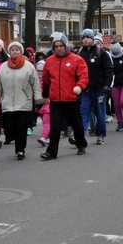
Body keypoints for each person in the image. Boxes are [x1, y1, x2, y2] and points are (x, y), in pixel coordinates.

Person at [39, 32, 89, 160]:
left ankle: (81, 144)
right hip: (56, 99)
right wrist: (45, 95)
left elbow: (84, 76)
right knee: (55, 126)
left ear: (66, 45)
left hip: (71, 97)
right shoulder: (49, 61)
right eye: (56, 46)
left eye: (61, 46)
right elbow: (46, 80)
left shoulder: (76, 59)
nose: (59, 48)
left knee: (76, 123)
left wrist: (79, 86)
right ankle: (51, 152)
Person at [0, 41, 42, 160]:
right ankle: (12, 137)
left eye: (17, 50)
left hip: (24, 103)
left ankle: (20, 149)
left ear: (21, 52)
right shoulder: (3, 67)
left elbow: (35, 84)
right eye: (12, 50)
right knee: (9, 128)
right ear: (9, 52)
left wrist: (38, 99)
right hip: (7, 103)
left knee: (22, 128)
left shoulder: (29, 67)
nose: (15, 51)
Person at [77, 29, 114, 145]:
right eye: (83, 38)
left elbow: (109, 69)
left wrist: (107, 85)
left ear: (92, 39)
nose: (85, 40)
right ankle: (80, 137)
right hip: (85, 89)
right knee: (84, 112)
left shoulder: (101, 52)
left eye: (87, 37)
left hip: (99, 89)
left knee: (99, 113)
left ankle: (100, 134)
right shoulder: (80, 53)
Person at [34, 60, 51, 144]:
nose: (40, 72)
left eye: (42, 71)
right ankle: (48, 135)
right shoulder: (35, 80)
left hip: (48, 103)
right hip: (39, 105)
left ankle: (44, 137)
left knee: (46, 121)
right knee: (45, 120)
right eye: (39, 71)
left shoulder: (48, 80)